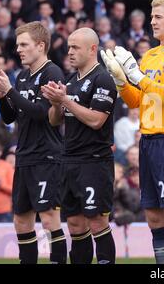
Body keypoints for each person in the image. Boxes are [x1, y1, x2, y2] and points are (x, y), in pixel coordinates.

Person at [101, 0, 164, 264]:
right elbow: (138, 101)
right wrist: (122, 82)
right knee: (154, 215)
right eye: (152, 16)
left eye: (158, 17)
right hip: (148, 141)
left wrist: (138, 77)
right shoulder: (150, 55)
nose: (152, 21)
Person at [0, 21, 67, 264]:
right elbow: (11, 117)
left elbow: (42, 113)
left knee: (50, 217)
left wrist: (9, 91)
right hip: (25, 156)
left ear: (40, 46)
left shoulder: (52, 73)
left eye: (24, 44)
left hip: (46, 156)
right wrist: (1, 96)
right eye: (18, 44)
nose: (19, 49)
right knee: (21, 220)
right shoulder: (22, 76)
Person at [41, 28, 117, 264]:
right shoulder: (72, 81)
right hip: (69, 161)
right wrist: (55, 103)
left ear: (92, 49)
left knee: (96, 221)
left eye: (76, 47)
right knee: (74, 223)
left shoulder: (102, 78)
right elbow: (55, 120)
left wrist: (64, 100)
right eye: (69, 46)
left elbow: (96, 120)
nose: (70, 52)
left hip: (94, 161)